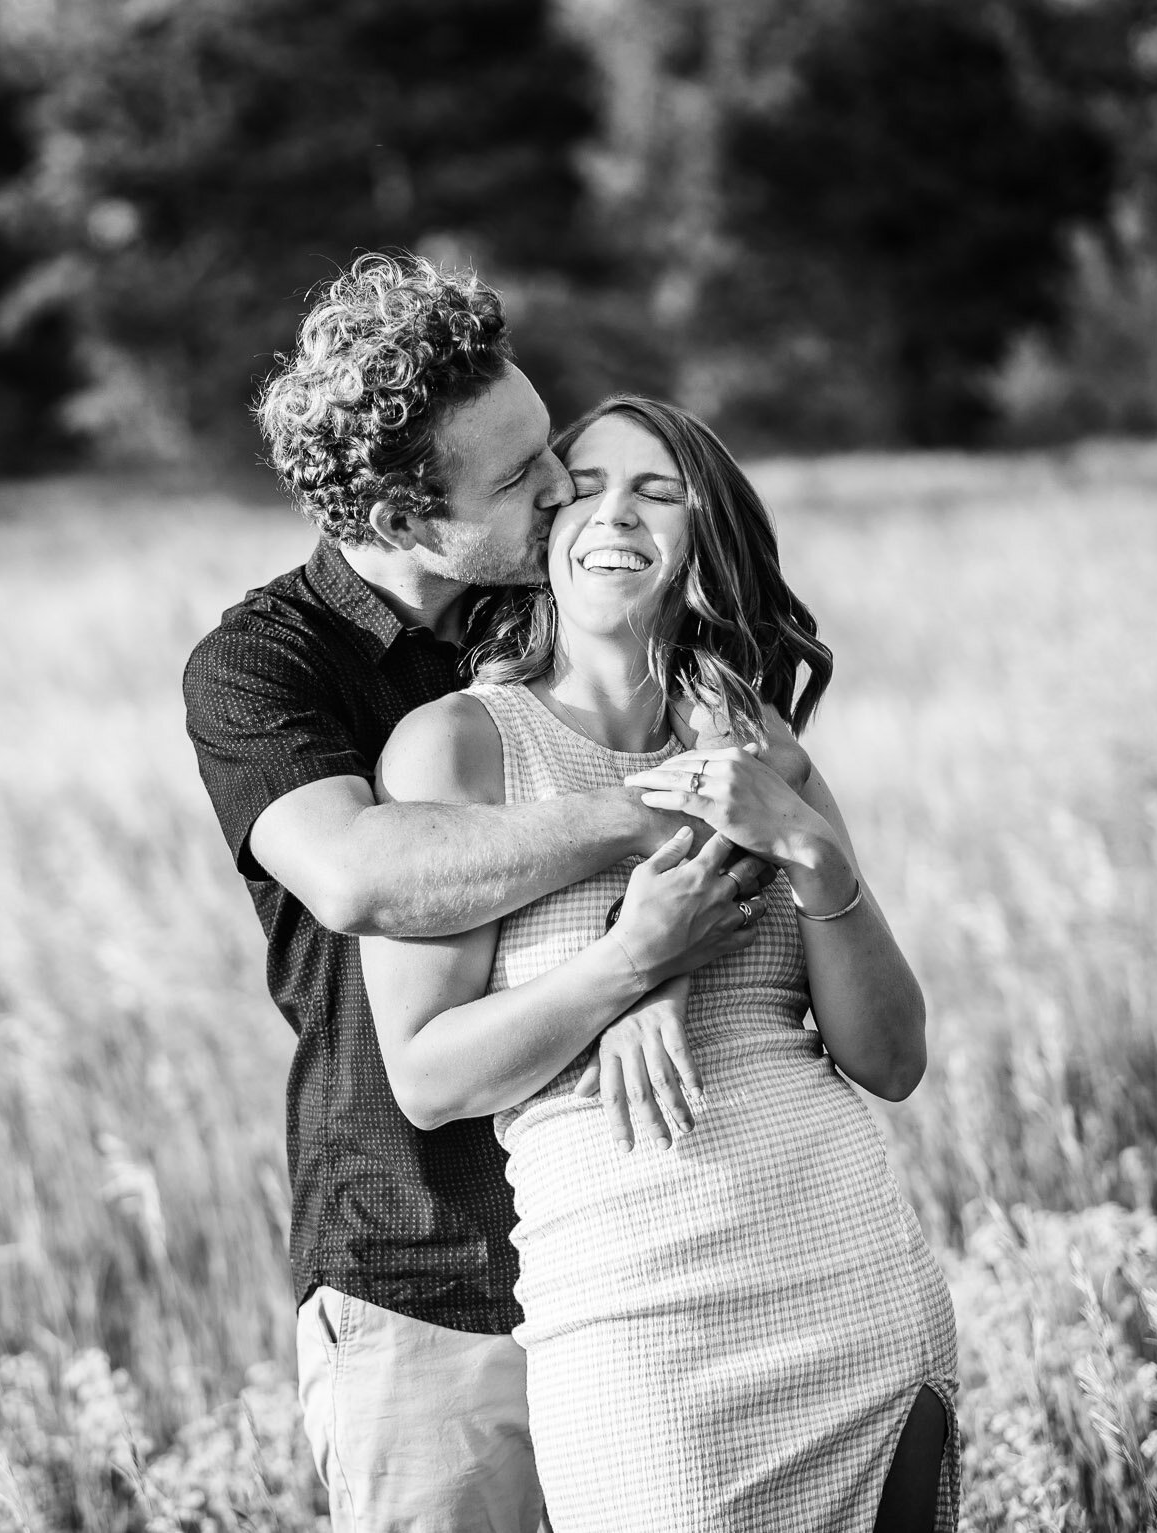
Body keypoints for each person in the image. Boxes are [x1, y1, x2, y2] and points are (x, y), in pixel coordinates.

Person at [183, 256, 770, 1530]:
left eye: (545, 445)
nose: (564, 488)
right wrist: (650, 810)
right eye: (517, 480)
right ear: (399, 517)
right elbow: (358, 874)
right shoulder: (264, 666)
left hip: (645, 1259)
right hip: (428, 1284)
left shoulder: (557, 610)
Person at [359, 394, 960, 1531]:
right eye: (582, 485)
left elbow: (887, 1058)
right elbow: (430, 1077)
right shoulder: (459, 747)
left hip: (848, 1283)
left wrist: (813, 852)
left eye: (656, 490)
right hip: (635, 1324)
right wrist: (630, 964)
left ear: (705, 538)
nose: (610, 512)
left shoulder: (763, 754)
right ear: (541, 530)